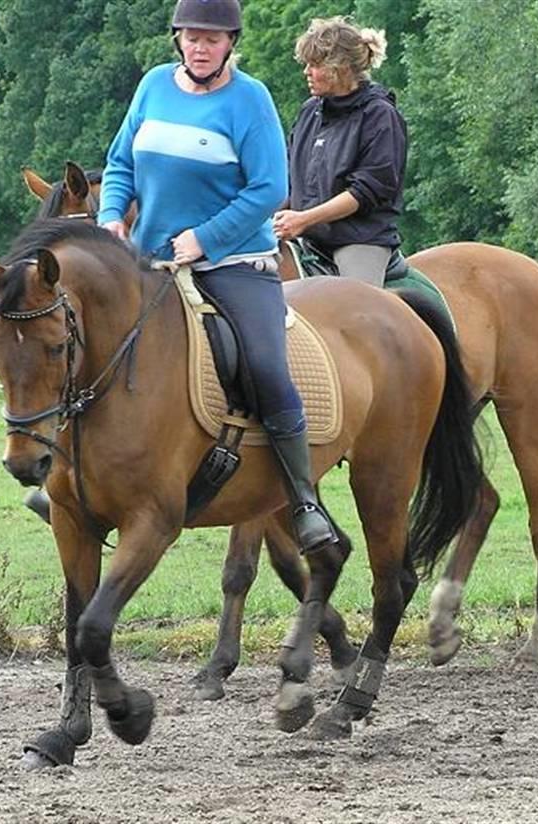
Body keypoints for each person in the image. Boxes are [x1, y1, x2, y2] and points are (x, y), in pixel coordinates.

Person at [27, 0, 336, 554]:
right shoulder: (152, 87)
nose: (200, 46)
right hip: (149, 264)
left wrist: (206, 238)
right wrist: (110, 218)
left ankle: (304, 498)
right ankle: (67, 483)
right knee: (81, 353)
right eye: (192, 37)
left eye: (212, 39)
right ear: (178, 40)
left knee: (265, 365)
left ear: (230, 44)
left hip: (234, 263)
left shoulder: (250, 100)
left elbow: (269, 188)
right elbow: (120, 164)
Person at [273, 17, 407, 287]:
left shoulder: (380, 116)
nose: (307, 72)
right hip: (306, 235)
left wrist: (304, 219)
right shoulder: (310, 111)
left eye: (315, 65)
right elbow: (288, 178)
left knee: (357, 310)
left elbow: (366, 191)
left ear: (342, 68)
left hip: (358, 240)